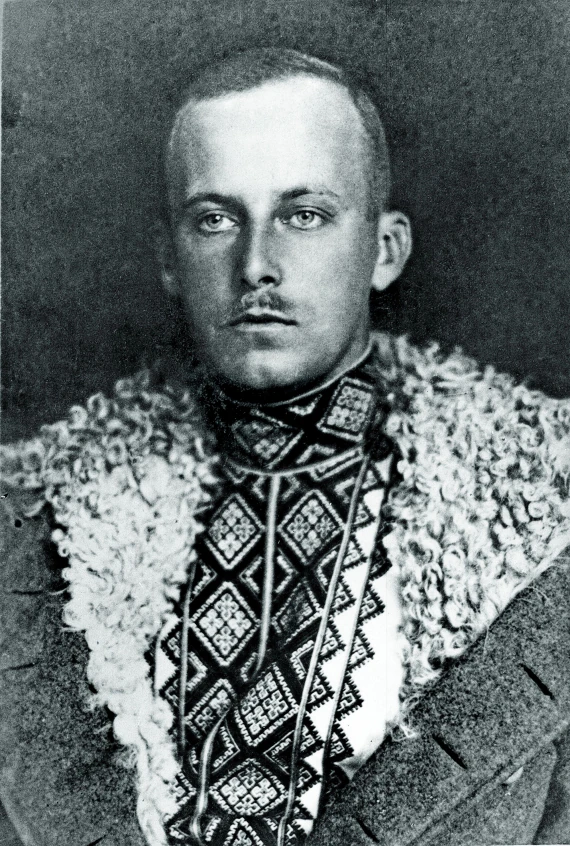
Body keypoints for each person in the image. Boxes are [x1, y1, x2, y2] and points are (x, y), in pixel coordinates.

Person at [1, 48, 570, 846]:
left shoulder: (539, 516)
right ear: (169, 258)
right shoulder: (36, 522)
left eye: (304, 215)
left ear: (384, 249)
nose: (256, 266)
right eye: (215, 219)